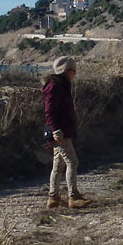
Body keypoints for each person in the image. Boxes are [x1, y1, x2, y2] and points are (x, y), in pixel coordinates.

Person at [42, 56, 92, 209]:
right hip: (60, 132)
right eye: (73, 71)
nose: (75, 74)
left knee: (58, 165)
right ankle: (73, 197)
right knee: (72, 162)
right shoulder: (55, 87)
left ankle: (53, 198)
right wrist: (55, 129)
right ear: (66, 71)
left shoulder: (61, 85)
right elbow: (49, 111)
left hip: (62, 130)